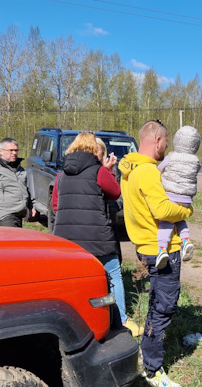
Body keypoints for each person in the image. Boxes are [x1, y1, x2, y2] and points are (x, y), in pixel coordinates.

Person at [119, 119, 193, 387]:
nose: (166, 147)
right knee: (164, 306)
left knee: (155, 300)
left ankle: (146, 351)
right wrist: (186, 211)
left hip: (143, 245)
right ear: (158, 141)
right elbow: (162, 209)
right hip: (162, 249)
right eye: (166, 142)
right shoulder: (148, 172)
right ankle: (152, 367)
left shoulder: (128, 168)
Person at [51, 134, 142, 336]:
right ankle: (122, 322)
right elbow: (115, 192)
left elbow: (55, 205)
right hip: (97, 237)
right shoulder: (98, 171)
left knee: (76, 281)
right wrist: (108, 171)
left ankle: (79, 322)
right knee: (113, 275)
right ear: (94, 149)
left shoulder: (61, 174)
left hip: (67, 241)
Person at [156, 125, 202, 269]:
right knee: (180, 219)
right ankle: (186, 241)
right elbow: (197, 170)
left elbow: (159, 170)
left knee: (166, 222)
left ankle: (162, 249)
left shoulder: (171, 157)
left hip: (171, 195)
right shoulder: (196, 161)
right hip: (186, 199)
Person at [0, 138, 37, 227]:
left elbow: (27, 189)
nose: (14, 153)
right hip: (5, 215)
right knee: (10, 240)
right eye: (11, 150)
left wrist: (31, 207)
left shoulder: (20, 170)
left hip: (19, 214)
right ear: (1, 151)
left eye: (16, 150)